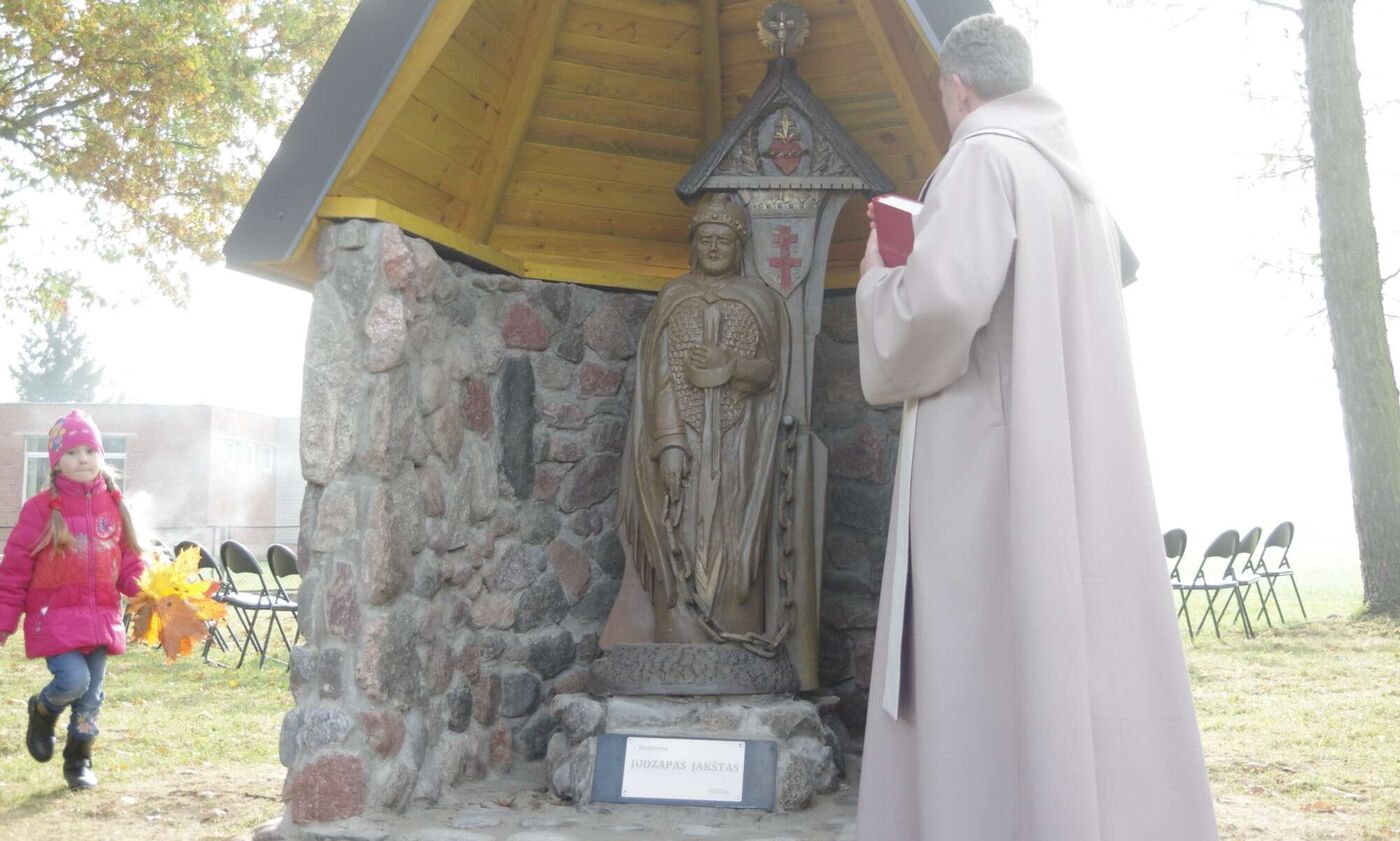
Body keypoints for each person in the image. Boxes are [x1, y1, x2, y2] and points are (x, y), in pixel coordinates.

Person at [854, 15, 1217, 840]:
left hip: (990, 459)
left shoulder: (983, 158)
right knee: (1055, 645)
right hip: (1062, 448)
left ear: (958, 88)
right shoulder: (1075, 183)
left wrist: (879, 281)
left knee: (980, 655)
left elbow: (941, 303)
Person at [602, 193, 791, 649]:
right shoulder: (675, 296)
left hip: (738, 442)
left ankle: (737, 633)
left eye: (723, 240)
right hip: (682, 439)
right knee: (678, 527)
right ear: (693, 245)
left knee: (734, 536)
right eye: (705, 239)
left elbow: (771, 373)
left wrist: (733, 366)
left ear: (739, 246)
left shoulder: (758, 299)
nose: (713, 248)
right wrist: (669, 443)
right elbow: (660, 376)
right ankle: (679, 637)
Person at [0, 410, 147, 790]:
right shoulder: (39, 510)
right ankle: (43, 709)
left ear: (100, 456)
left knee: (91, 695)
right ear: (56, 462)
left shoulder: (115, 506)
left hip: (101, 619)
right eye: (72, 452)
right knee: (73, 680)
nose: (82, 459)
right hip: (55, 619)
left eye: (89, 450)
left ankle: (79, 758)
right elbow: (14, 571)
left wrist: (145, 588)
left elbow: (130, 562)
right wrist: (4, 621)